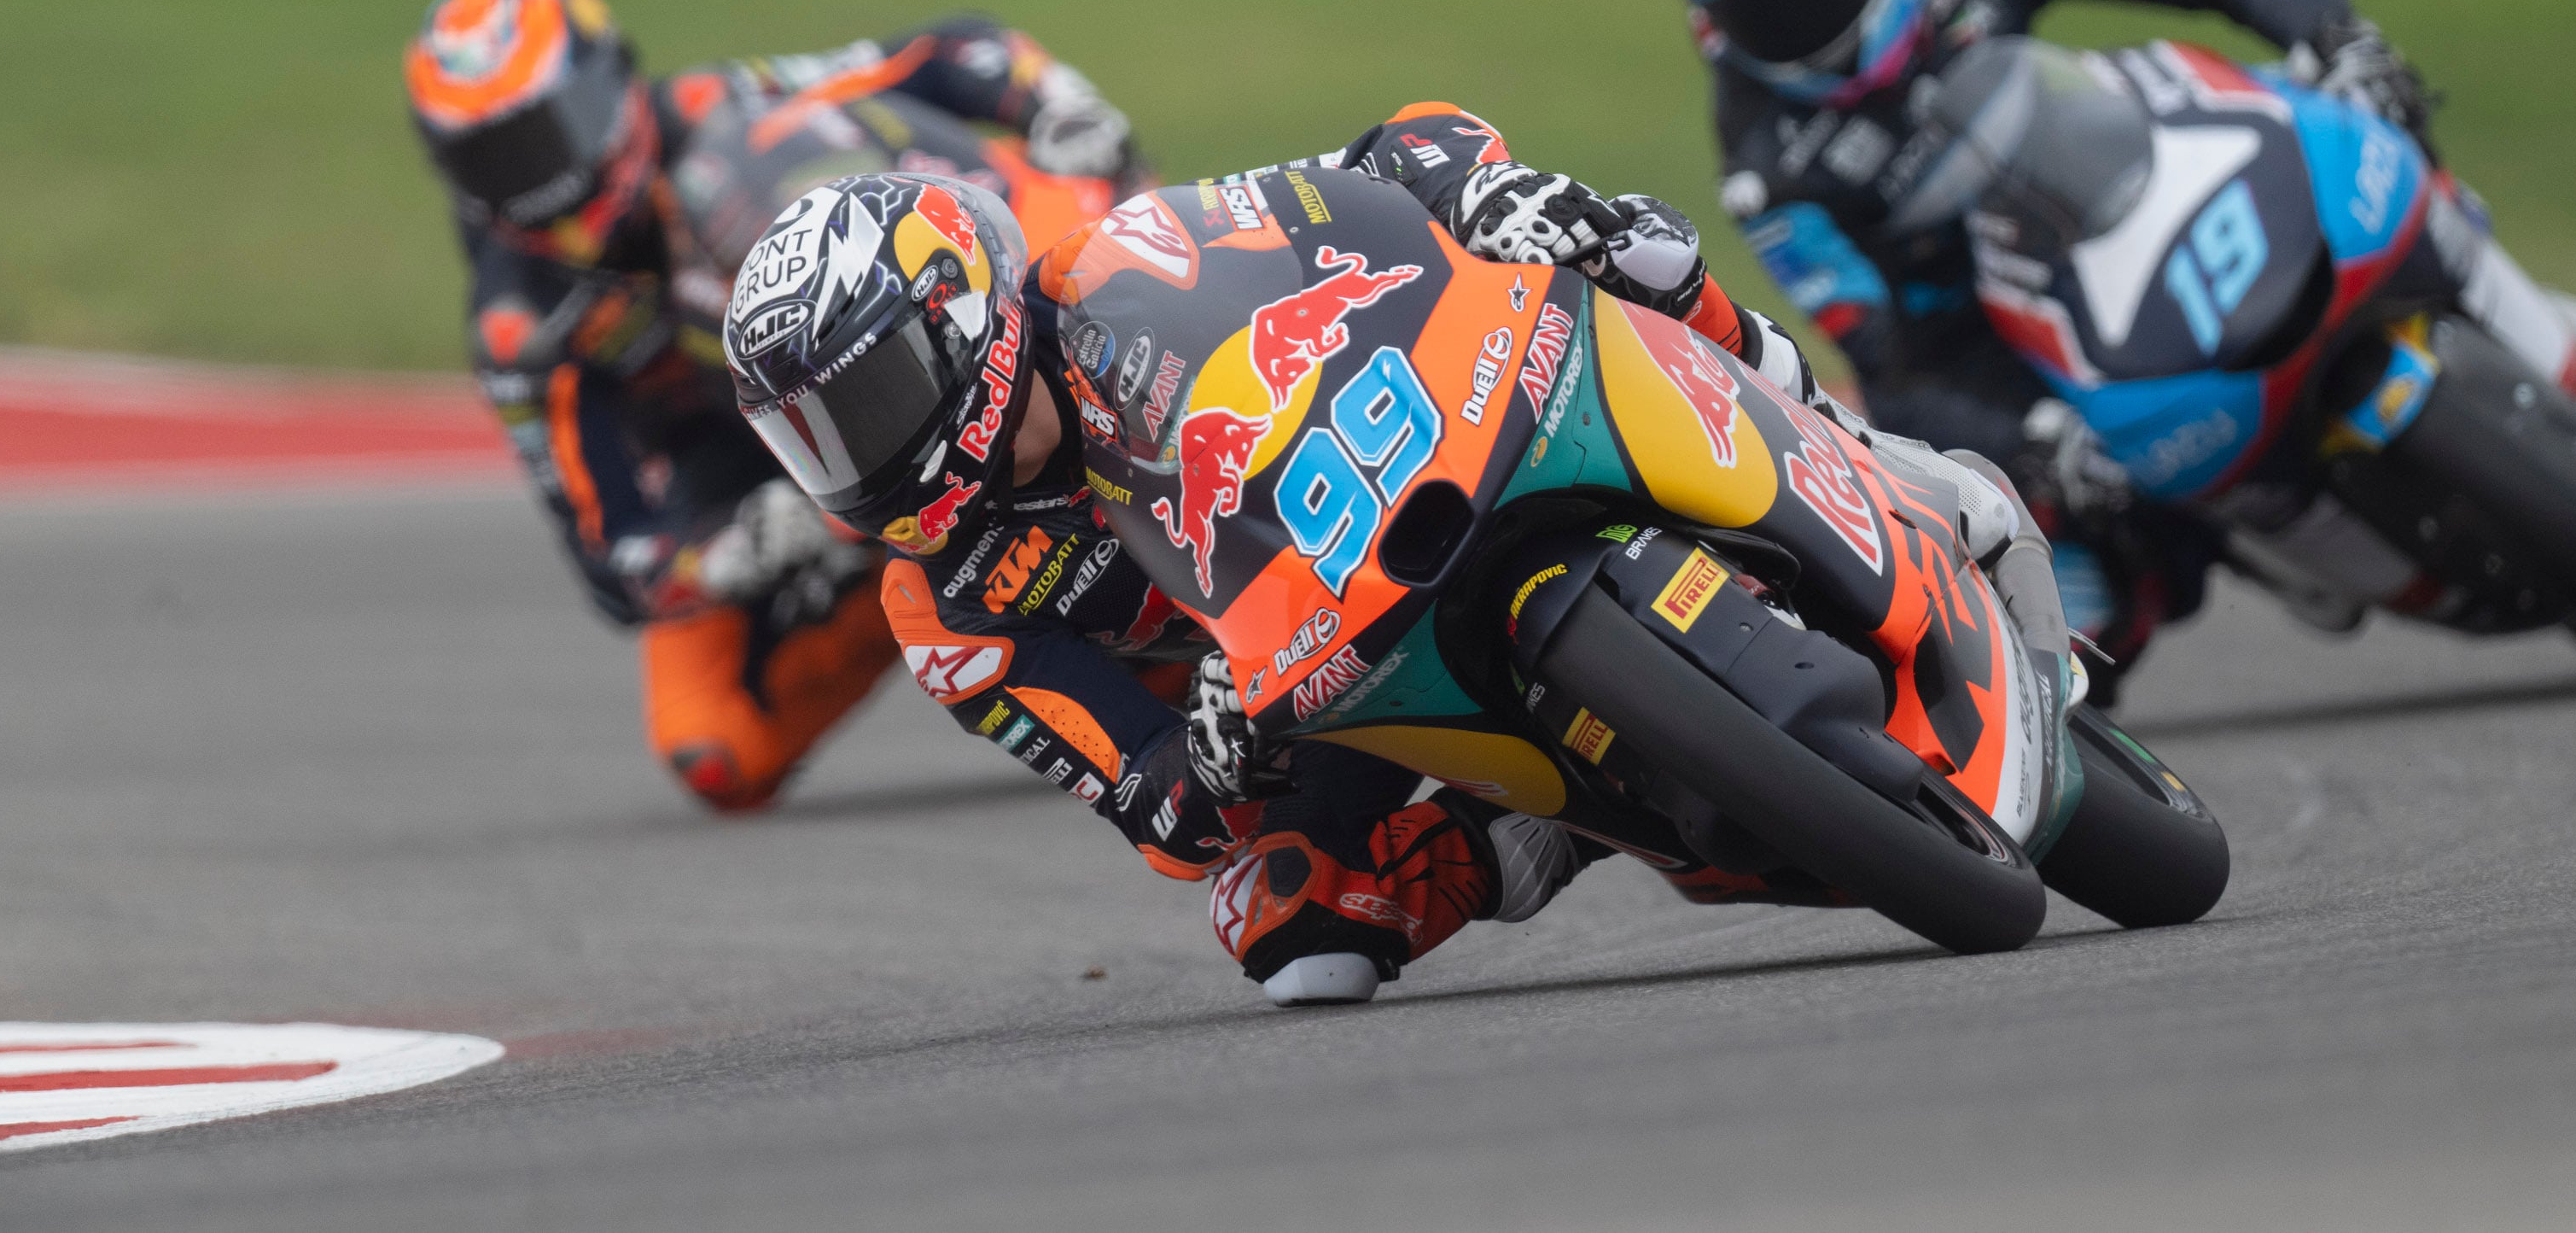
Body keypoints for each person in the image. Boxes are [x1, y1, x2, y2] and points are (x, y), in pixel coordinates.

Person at [719, 105, 1895, 1004]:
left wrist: (1484, 196)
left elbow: (1383, 159)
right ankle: (1550, 831)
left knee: (1624, 250)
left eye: (865, 398)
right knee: (1281, 924)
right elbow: (1150, 802)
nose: (853, 454)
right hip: (1316, 689)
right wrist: (1216, 758)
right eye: (811, 434)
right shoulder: (945, 609)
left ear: (953, 312)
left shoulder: (1125, 264)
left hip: (1429, 446)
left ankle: (1822, 421)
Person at [1652, 0, 2576, 678]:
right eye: (1763, 4)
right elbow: (1888, 354)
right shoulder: (1766, 164)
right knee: (2080, 610)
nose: (1807, 15)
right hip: (2021, 345)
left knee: (2360, 114)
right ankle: (2240, 538)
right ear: (1712, 23)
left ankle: (2469, 267)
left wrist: (2335, 38)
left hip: (2122, 178)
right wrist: (2036, 443)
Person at [405, 0, 1145, 811]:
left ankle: (1139, 593)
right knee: (712, 744)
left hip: (980, 322)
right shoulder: (518, 321)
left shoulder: (733, 116)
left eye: (549, 130)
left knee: (1079, 360)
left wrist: (1061, 103)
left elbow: (957, 45)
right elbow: (611, 559)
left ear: (613, 80)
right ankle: (903, 595)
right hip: (764, 483)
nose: (540, 179)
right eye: (492, 158)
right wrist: (725, 557)